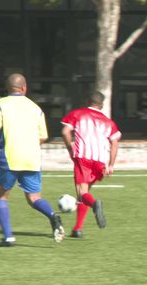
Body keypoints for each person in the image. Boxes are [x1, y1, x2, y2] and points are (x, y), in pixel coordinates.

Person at [0, 73, 63, 246]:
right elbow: (43, 136)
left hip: (9, 156)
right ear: (24, 88)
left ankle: (8, 237)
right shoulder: (35, 108)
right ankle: (53, 216)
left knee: (1, 197)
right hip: (32, 158)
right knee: (34, 198)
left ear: (7, 89)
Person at [60, 92, 119, 238]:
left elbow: (65, 131)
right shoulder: (108, 121)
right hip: (100, 160)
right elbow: (115, 143)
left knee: (82, 193)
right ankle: (77, 229)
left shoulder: (78, 113)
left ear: (87, 101)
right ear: (102, 105)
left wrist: (70, 149)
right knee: (84, 193)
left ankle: (94, 205)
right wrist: (111, 165)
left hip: (83, 157)